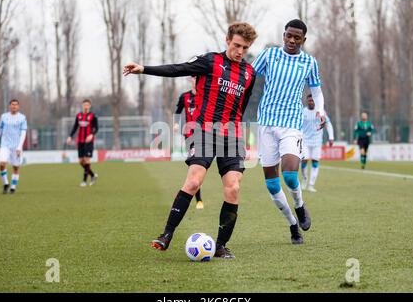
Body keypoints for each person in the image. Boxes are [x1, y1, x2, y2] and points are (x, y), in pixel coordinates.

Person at [123, 22, 258, 259]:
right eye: (237, 45)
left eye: (245, 48)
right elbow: (178, 68)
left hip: (232, 135)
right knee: (194, 182)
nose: (240, 51)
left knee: (233, 188)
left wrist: (242, 137)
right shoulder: (210, 62)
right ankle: (166, 234)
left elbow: (242, 107)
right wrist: (143, 69)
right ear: (227, 40)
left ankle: (221, 246)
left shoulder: (249, 73)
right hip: (204, 131)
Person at [252, 19, 326, 244]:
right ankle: (293, 225)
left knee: (291, 174)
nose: (292, 40)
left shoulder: (308, 62)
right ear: (283, 35)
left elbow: (317, 91)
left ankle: (300, 206)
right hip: (265, 123)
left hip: (291, 124)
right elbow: (247, 77)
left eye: (297, 38)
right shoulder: (269, 55)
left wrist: (320, 111)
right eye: (288, 36)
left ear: (304, 40)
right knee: (272, 185)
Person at [174, 77, 205, 210]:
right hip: (190, 136)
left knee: (200, 169)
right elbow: (178, 111)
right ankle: (198, 200)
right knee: (195, 168)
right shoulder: (184, 96)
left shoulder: (206, 95)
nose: (195, 80)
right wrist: (175, 123)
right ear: (190, 80)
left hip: (205, 134)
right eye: (193, 77)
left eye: (197, 77)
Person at [0, 99, 28, 194]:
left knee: (16, 167)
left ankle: (13, 187)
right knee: (2, 164)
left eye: (16, 105)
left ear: (19, 106)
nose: (14, 106)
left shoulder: (22, 118)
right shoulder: (4, 117)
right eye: (12, 104)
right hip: (5, 145)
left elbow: (23, 133)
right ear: (9, 106)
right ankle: (5, 184)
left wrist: (19, 147)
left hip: (16, 146)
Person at [301, 94, 334, 193]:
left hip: (317, 141)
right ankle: (305, 179)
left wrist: (331, 137)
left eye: (313, 100)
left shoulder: (321, 112)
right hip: (305, 141)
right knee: (305, 160)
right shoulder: (303, 111)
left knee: (315, 162)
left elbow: (328, 124)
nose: (311, 102)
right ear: (307, 102)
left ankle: (311, 184)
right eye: (309, 100)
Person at [67, 99, 99, 187]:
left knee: (86, 159)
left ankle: (84, 181)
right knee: (81, 161)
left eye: (87, 105)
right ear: (82, 106)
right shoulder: (79, 116)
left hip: (88, 141)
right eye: (84, 105)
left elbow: (96, 128)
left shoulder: (93, 116)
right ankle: (92, 175)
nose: (86, 106)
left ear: (90, 106)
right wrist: (70, 136)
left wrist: (92, 135)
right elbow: (75, 126)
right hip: (80, 141)